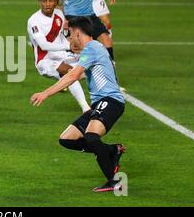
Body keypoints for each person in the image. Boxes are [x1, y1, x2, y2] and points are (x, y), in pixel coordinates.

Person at [31, 16, 126, 193]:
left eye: (69, 35)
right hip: (100, 103)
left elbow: (73, 76)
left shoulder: (92, 48)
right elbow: (78, 74)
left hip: (111, 101)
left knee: (91, 136)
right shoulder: (91, 50)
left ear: (77, 32)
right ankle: (112, 150)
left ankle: (115, 182)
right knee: (66, 139)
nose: (68, 39)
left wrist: (45, 93)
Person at [27, 0, 90, 113]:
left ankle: (109, 90)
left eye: (50, 0)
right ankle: (86, 108)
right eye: (44, 1)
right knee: (69, 72)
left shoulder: (59, 15)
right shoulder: (34, 21)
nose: (47, 4)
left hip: (62, 54)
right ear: (39, 2)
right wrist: (69, 46)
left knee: (91, 60)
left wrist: (74, 46)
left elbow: (61, 37)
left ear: (56, 2)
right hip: (45, 61)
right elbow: (43, 45)